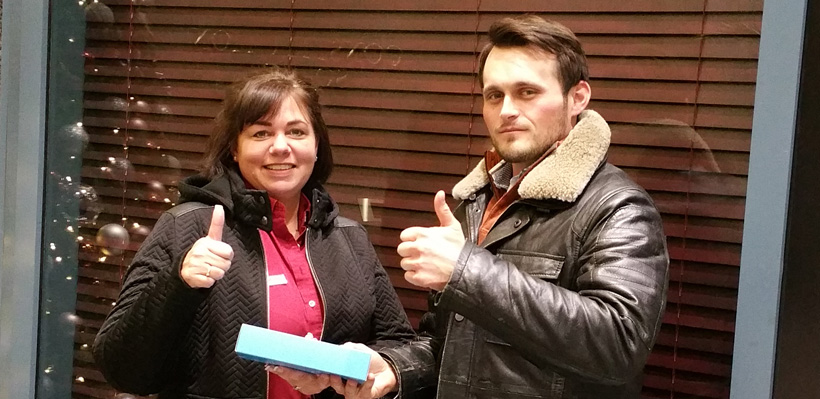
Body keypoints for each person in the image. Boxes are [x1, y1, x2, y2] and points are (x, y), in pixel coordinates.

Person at [369, 15, 669, 399]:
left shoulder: (617, 206)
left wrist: (464, 270)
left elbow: (618, 344)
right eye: (494, 95)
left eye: (526, 92)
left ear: (577, 98)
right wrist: (395, 368)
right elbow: (453, 343)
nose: (506, 110)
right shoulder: (477, 199)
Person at [93, 68, 416, 399]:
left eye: (296, 132)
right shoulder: (187, 226)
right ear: (234, 148)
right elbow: (121, 368)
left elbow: (401, 345)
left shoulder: (349, 238)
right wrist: (178, 284)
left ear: (316, 145)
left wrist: (384, 368)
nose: (280, 147)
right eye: (261, 133)